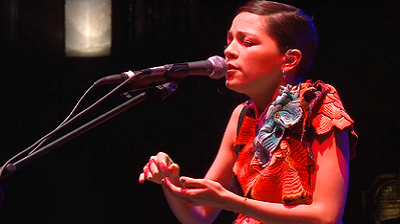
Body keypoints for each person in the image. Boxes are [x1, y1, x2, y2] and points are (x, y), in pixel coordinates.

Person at [138, 1, 358, 223]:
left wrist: (229, 201)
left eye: (247, 42)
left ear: (290, 59)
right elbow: (199, 217)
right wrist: (169, 181)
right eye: (229, 41)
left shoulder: (317, 102)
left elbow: (327, 216)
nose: (229, 51)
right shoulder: (242, 116)